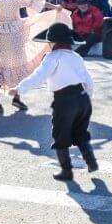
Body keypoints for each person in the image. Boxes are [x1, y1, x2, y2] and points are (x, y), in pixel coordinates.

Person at [11, 22, 98, 181]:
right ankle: (91, 161)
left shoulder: (52, 57)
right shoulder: (76, 57)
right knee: (80, 132)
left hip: (64, 101)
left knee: (61, 135)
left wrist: (19, 88)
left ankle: (66, 171)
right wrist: (88, 98)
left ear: (52, 41)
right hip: (82, 98)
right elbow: (88, 80)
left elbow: (39, 76)